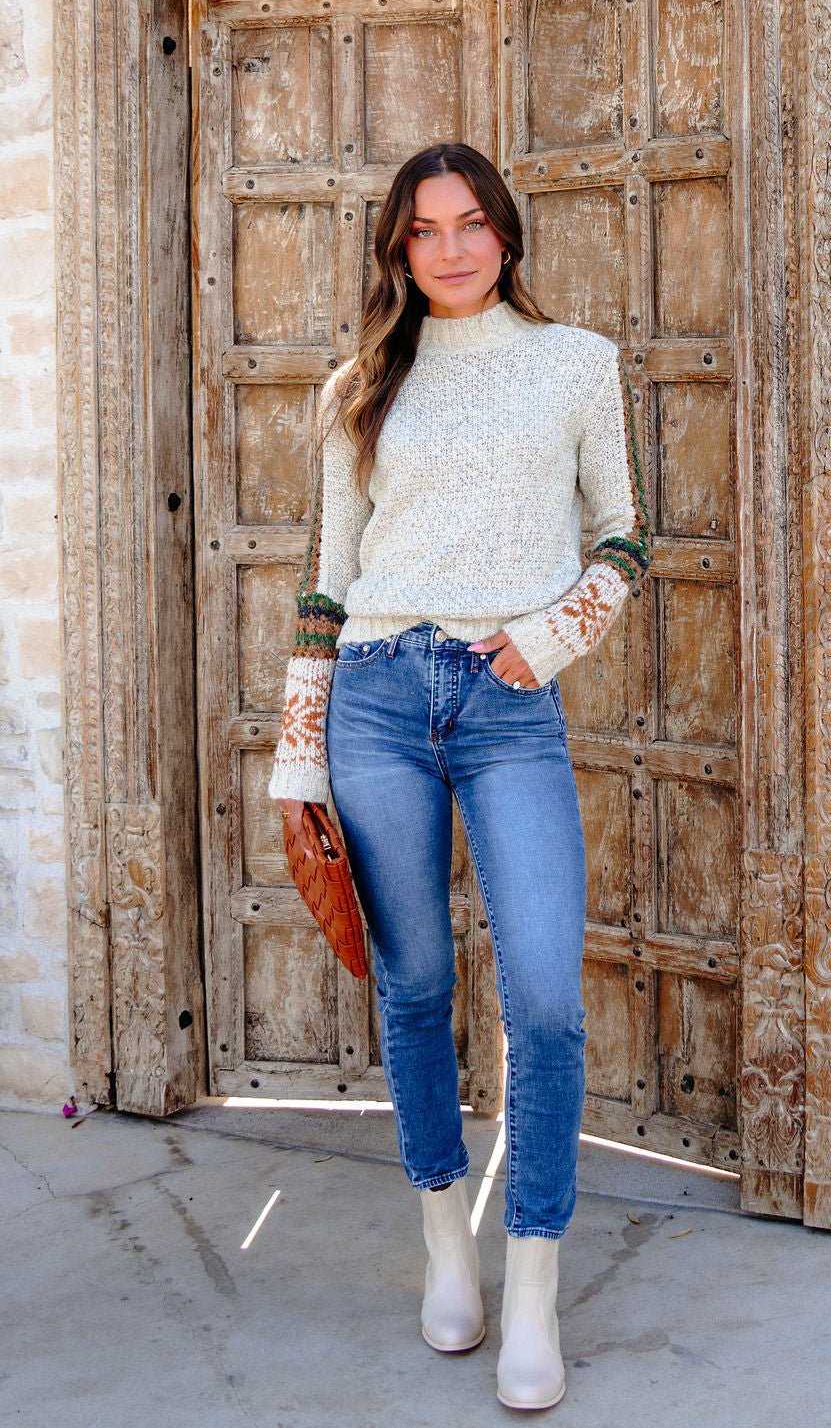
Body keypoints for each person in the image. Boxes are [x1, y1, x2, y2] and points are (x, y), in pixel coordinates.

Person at [268, 141, 651, 1411]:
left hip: (506, 704)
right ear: (399, 248)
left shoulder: (575, 365)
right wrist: (300, 750)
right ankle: (448, 1249)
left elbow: (623, 535)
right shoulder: (360, 387)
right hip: (374, 695)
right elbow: (329, 578)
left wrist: (549, 636)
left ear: (506, 235)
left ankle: (531, 1282)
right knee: (417, 984)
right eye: (424, 229)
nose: (450, 248)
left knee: (544, 993)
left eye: (471, 223)